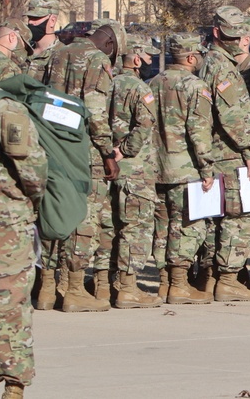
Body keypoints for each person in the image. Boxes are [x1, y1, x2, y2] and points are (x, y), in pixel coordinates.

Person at [0, 23, 48, 399]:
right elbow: (34, 171)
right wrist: (30, 205)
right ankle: (14, 385)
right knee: (7, 307)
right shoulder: (1, 106)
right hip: (3, 227)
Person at [41, 19, 121, 312]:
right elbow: (96, 110)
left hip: (53, 145)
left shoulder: (57, 53)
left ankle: (48, 287)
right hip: (83, 150)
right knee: (85, 217)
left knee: (55, 211)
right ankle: (74, 288)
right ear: (109, 43)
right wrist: (107, 152)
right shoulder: (97, 59)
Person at [198, 6, 250, 301]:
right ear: (218, 34)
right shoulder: (222, 67)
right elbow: (232, 115)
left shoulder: (208, 62)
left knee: (217, 217)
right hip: (230, 153)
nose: (238, 41)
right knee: (240, 216)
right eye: (233, 36)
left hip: (216, 152)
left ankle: (212, 276)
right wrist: (249, 152)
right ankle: (228, 278)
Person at [149, 33, 215, 305]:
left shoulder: (152, 82)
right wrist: (207, 168)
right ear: (190, 57)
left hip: (155, 166)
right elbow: (199, 131)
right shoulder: (194, 85)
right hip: (185, 168)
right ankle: (178, 283)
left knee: (162, 226)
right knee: (189, 225)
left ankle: (165, 282)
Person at [104, 32, 163, 308]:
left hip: (110, 165)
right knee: (136, 227)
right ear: (137, 58)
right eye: (150, 57)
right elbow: (144, 125)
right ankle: (127, 287)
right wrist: (126, 149)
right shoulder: (140, 89)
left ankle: (108, 283)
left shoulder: (108, 83)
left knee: (113, 226)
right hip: (134, 168)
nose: (152, 62)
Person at [23, 0, 61, 82]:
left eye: (36, 18)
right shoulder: (23, 51)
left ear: (52, 21)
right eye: (30, 18)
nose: (30, 22)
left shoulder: (62, 53)